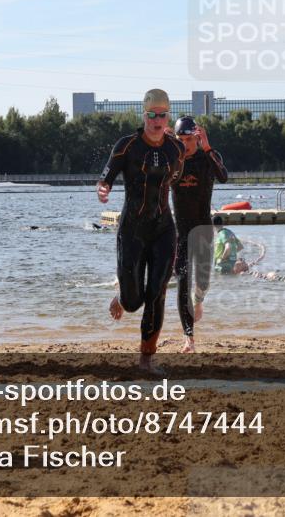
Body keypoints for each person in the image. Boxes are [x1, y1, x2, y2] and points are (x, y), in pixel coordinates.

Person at [97, 89, 185, 373]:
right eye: (151, 115)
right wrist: (103, 187)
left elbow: (175, 177)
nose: (156, 120)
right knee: (134, 301)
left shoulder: (176, 148)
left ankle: (146, 359)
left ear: (167, 116)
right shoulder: (127, 146)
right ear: (144, 115)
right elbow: (107, 175)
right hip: (132, 230)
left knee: (157, 292)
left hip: (163, 229)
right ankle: (122, 296)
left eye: (162, 115)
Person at [171, 115, 228, 353]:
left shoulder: (207, 158)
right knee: (182, 279)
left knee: (202, 282)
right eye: (180, 139)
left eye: (189, 139)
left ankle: (200, 299)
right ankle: (189, 338)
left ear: (196, 137)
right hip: (181, 232)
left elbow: (223, 176)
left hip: (203, 229)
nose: (185, 144)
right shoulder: (172, 160)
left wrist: (207, 146)